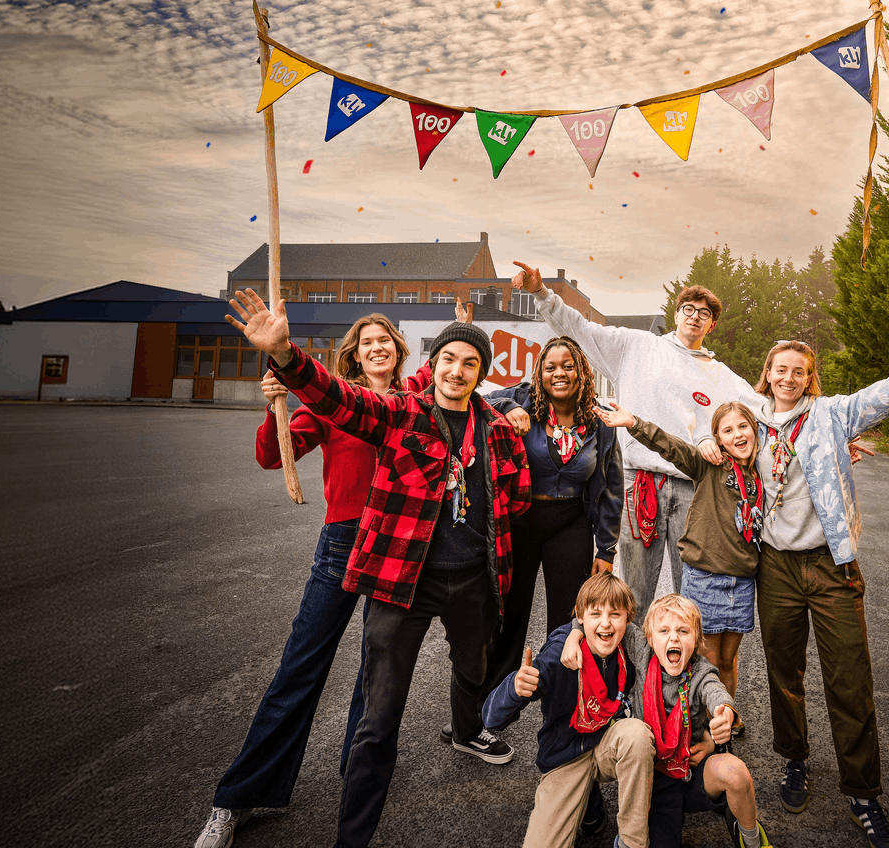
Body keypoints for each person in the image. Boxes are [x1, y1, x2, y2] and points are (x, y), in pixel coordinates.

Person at [226, 289, 532, 848]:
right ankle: (309, 818)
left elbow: (517, 499)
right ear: (430, 364)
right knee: (348, 696)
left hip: (458, 576)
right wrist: (286, 358)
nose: (457, 370)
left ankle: (430, 742)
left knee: (442, 675)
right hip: (380, 560)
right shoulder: (396, 411)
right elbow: (336, 401)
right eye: (447, 359)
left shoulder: (480, 424)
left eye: (470, 363)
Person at [195, 314, 417, 848]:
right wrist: (274, 405)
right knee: (301, 667)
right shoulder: (332, 402)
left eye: (385, 340)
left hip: (400, 544)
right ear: (354, 355)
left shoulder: (418, 396)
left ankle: (357, 776)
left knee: (376, 672)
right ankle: (237, 798)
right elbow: (273, 456)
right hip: (343, 540)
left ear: (398, 348)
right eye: (367, 343)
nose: (377, 347)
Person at [752, 327, 889, 848]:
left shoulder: (830, 415)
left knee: (849, 676)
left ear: (810, 379)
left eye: (799, 371)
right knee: (784, 671)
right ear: (767, 373)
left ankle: (864, 793)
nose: (789, 378)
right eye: (780, 369)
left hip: (831, 565)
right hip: (775, 565)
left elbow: (887, 392)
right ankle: (795, 760)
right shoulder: (748, 421)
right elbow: (703, 440)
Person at [512, 261, 761, 613]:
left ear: (712, 324)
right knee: (634, 596)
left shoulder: (720, 375)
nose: (695, 317)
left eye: (704, 314)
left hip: (691, 487)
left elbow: (765, 410)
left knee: (690, 593)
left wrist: (828, 431)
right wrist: (541, 293)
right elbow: (580, 329)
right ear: (676, 314)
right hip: (638, 482)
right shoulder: (637, 346)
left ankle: (684, 667)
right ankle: (631, 667)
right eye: (688, 309)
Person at [445, 335, 623, 748]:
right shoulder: (523, 399)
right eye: (550, 366)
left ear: (582, 372)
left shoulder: (599, 422)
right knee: (505, 618)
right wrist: (512, 409)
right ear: (539, 373)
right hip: (520, 521)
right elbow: (480, 398)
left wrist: (606, 550)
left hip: (571, 524)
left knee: (568, 625)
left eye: (568, 366)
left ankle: (563, 717)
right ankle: (482, 716)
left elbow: (612, 486)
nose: (558, 373)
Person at [582, 398, 763, 724]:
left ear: (755, 430)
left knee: (728, 658)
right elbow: (671, 446)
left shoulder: (762, 473)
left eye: (743, 426)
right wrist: (633, 422)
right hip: (706, 579)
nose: (737, 435)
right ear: (717, 438)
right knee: (706, 658)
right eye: (727, 430)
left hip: (742, 582)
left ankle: (725, 717)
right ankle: (704, 729)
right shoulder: (711, 466)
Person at [482, 572, 655, 848]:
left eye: (615, 614)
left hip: (608, 745)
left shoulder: (631, 646)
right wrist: (513, 688)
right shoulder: (558, 655)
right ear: (581, 617)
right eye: (596, 613)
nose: (606, 623)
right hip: (565, 755)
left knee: (637, 735)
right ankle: (590, 804)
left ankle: (632, 843)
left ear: (628, 618)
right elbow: (491, 719)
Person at [635, 594, 766, 848]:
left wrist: (725, 711)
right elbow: (605, 620)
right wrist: (574, 632)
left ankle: (752, 840)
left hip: (691, 771)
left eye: (683, 631)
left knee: (736, 772)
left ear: (696, 641)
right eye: (664, 630)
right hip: (653, 783)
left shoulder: (700, 671)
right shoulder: (641, 654)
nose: (673, 637)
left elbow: (716, 691)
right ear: (650, 638)